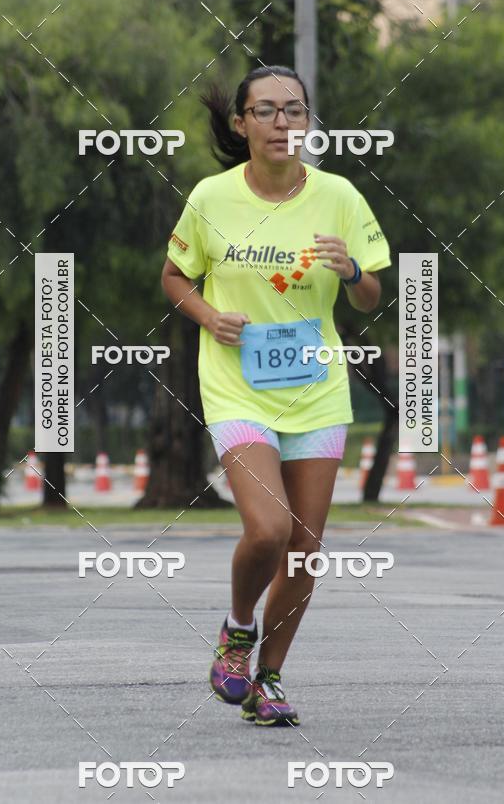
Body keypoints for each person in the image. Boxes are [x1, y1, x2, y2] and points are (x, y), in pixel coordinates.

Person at [161, 65, 391, 727]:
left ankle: (269, 679)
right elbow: (174, 276)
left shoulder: (340, 196)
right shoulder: (211, 196)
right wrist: (209, 316)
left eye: (293, 110)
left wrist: (350, 271)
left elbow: (372, 294)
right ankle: (238, 630)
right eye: (265, 111)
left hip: (317, 390)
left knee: (304, 548)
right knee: (269, 529)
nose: (281, 123)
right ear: (242, 124)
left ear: (308, 121)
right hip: (238, 386)